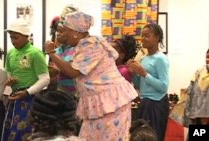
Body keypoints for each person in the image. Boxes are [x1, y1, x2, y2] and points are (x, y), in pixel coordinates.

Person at [45, 11, 138, 141]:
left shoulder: (90, 45)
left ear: (75, 32)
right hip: (100, 102)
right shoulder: (87, 43)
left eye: (64, 31)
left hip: (111, 103)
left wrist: (51, 53)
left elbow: (72, 71)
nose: (61, 35)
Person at [2, 18, 50, 141]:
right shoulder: (10, 53)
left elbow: (45, 79)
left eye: (16, 38)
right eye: (11, 38)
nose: (13, 41)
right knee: (10, 130)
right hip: (14, 97)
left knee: (26, 132)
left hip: (30, 98)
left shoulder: (35, 53)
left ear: (26, 36)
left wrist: (27, 92)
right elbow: (8, 73)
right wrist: (9, 81)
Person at [127, 23, 170, 141]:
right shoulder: (143, 59)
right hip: (144, 102)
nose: (143, 38)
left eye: (147, 35)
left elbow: (163, 86)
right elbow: (138, 85)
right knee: (139, 137)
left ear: (157, 38)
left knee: (154, 137)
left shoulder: (161, 59)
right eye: (142, 35)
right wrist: (133, 73)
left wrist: (144, 73)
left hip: (157, 103)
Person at [47, 5, 79, 95]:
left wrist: (51, 54)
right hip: (62, 96)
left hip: (78, 96)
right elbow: (54, 78)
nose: (58, 34)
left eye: (62, 31)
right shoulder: (57, 51)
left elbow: (73, 72)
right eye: (58, 30)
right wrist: (52, 74)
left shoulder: (80, 48)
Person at [184, 48, 209, 125]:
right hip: (197, 115)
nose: (208, 60)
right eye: (207, 57)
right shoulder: (199, 72)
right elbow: (190, 92)